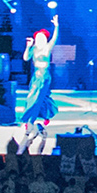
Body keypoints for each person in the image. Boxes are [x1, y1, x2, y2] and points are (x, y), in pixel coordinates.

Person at [22, 14, 60, 142]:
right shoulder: (34, 49)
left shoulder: (47, 48)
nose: (39, 39)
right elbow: (26, 58)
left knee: (37, 98)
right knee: (36, 97)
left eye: (41, 37)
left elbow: (54, 38)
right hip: (36, 76)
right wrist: (28, 46)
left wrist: (56, 26)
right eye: (37, 37)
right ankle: (45, 115)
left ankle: (30, 120)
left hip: (44, 77)